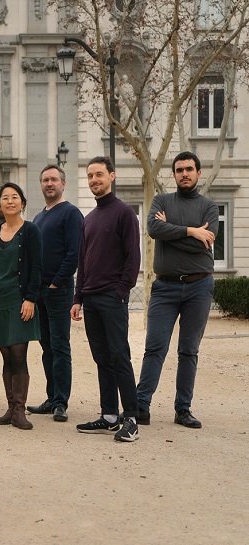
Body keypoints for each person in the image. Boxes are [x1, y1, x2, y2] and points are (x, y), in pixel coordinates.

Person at [135, 151, 218, 429]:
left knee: (188, 351)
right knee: (154, 347)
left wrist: (173, 231)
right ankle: (141, 405)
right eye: (179, 169)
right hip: (164, 287)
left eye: (189, 169)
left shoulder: (210, 207)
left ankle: (183, 409)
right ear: (174, 174)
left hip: (199, 286)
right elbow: (153, 229)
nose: (184, 173)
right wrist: (193, 231)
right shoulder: (161, 200)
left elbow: (200, 246)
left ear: (198, 172)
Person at [71, 156, 141, 442]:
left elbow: (133, 258)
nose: (93, 180)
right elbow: (83, 262)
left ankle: (132, 419)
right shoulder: (89, 219)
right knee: (101, 358)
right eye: (90, 176)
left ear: (112, 176)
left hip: (112, 298)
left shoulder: (124, 213)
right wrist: (78, 298)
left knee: (119, 355)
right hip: (90, 299)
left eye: (99, 175)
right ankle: (110, 415)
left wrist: (121, 291)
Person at [0, 183, 42, 431]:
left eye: (14, 197)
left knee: (19, 354)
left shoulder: (31, 230)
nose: (10, 201)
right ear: (0, 204)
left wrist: (30, 298)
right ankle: (10, 407)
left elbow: (36, 267)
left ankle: (20, 410)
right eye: (5, 198)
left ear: (22, 203)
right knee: (6, 355)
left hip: (19, 300)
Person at [27, 165, 83, 423]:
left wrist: (56, 283)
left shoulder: (71, 213)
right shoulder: (39, 217)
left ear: (63, 183)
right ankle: (51, 398)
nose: (49, 183)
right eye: (45, 180)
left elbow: (75, 253)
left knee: (60, 347)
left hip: (58, 292)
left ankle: (61, 402)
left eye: (53, 179)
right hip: (39, 293)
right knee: (46, 347)